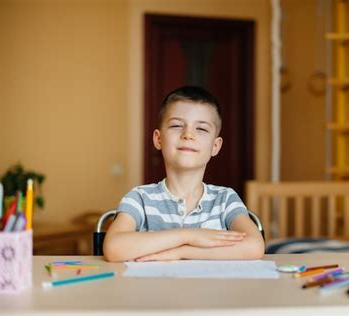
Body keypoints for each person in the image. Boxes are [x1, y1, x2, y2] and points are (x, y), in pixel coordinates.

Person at [103, 86, 265, 262]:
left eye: (201, 129)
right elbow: (114, 248)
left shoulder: (225, 199)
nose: (188, 134)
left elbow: (254, 247)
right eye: (177, 125)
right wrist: (188, 235)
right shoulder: (139, 198)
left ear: (215, 146)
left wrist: (181, 252)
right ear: (158, 139)